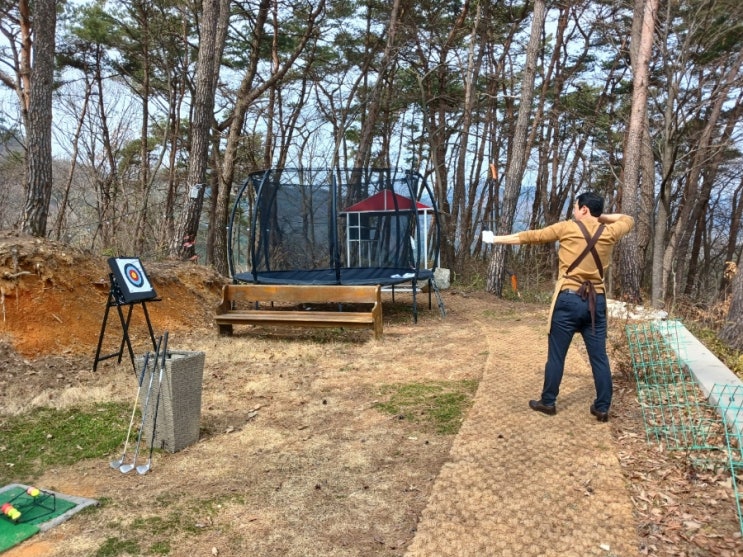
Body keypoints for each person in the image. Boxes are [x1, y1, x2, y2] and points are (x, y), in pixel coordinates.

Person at [484, 192, 634, 422]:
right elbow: (628, 219)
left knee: (556, 356)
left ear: (583, 209)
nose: (573, 211)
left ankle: (548, 401)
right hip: (596, 302)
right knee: (599, 358)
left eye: (576, 207)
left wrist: (495, 239)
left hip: (568, 300)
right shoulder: (610, 232)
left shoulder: (567, 228)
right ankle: (602, 407)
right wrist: (598, 216)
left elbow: (531, 236)